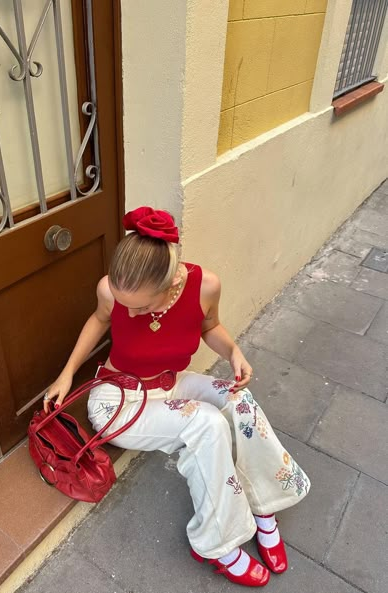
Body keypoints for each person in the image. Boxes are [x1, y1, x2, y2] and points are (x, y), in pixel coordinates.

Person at [43, 206, 310, 587]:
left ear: (170, 286)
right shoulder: (110, 289)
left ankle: (263, 506)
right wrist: (66, 374)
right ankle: (215, 544)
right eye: (125, 303)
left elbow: (210, 326)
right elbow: (99, 320)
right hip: (120, 399)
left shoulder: (205, 286)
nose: (131, 313)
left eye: (143, 305)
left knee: (239, 402)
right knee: (207, 425)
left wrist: (234, 353)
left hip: (171, 384)